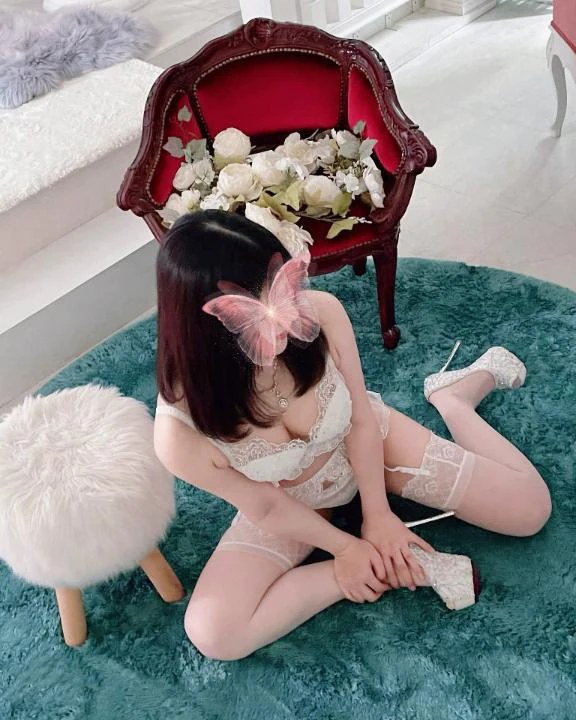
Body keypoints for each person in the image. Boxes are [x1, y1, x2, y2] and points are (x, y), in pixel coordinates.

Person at [154, 210, 551, 661]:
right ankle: (360, 572)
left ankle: (453, 399)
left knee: (529, 509)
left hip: (365, 443)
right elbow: (264, 506)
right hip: (288, 501)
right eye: (255, 307)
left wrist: (378, 515)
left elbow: (361, 419)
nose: (282, 315)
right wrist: (346, 553)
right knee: (213, 632)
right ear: (207, 323)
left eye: (280, 285)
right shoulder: (178, 432)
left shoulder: (319, 312)